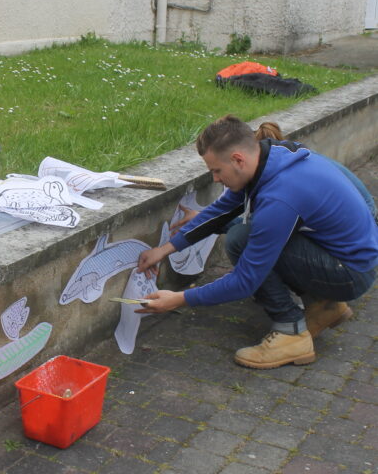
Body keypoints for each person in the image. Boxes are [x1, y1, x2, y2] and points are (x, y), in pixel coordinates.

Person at [138, 115, 378, 369]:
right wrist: (165, 249)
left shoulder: (280, 198)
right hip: (350, 257)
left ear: (238, 159)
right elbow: (223, 209)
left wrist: (179, 298)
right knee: (247, 232)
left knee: (241, 239)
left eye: (216, 171)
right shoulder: (272, 157)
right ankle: (325, 305)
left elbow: (245, 281)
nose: (216, 179)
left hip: (350, 273)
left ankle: (291, 332)